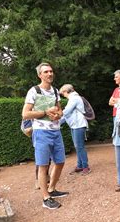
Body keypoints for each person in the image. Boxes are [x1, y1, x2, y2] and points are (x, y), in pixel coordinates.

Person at [22, 62, 68, 210]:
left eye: (51, 71)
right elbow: (25, 114)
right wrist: (45, 113)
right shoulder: (34, 91)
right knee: (43, 165)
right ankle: (45, 198)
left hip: (56, 131)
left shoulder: (55, 91)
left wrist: (58, 115)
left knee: (60, 162)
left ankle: (52, 189)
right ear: (39, 75)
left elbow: (60, 111)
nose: (49, 74)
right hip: (41, 132)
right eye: (46, 72)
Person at [59, 84, 90, 175]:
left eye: (63, 93)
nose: (63, 95)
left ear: (66, 91)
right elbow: (66, 115)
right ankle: (80, 165)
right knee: (77, 146)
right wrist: (58, 122)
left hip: (79, 125)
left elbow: (66, 112)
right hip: (75, 125)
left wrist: (56, 118)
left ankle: (85, 167)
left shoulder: (74, 98)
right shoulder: (72, 99)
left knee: (80, 146)